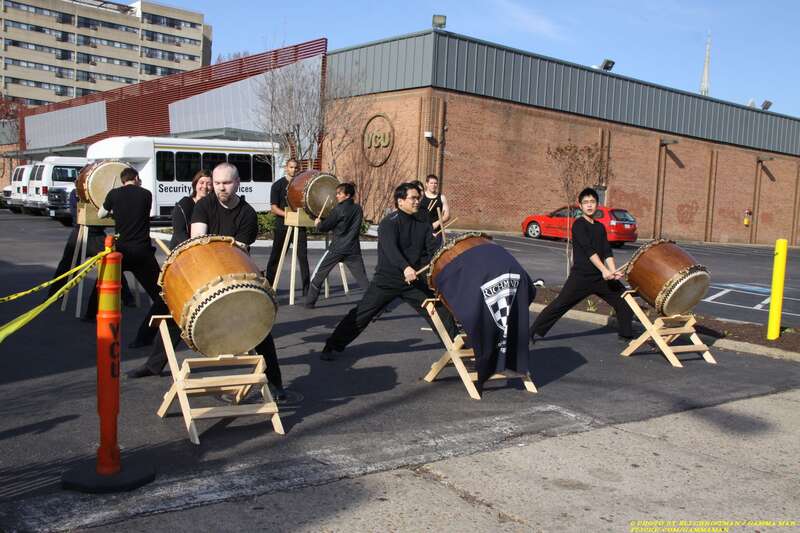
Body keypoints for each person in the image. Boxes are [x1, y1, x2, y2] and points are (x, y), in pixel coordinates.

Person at [320, 182, 458, 361]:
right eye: (413, 198)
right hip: (387, 279)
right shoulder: (389, 223)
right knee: (362, 314)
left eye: (418, 198)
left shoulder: (423, 223)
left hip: (414, 281)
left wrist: (444, 256)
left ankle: (457, 347)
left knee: (438, 310)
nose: (417, 201)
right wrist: (405, 267)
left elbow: (430, 250)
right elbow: (391, 249)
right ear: (400, 201)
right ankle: (332, 345)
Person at [191, 162, 286, 400]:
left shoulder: (247, 213)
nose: (221, 187)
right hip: (203, 272)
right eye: (217, 183)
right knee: (175, 313)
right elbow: (198, 241)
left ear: (237, 183)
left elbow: (237, 252)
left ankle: (275, 383)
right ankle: (154, 363)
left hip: (236, 273)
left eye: (226, 182)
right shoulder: (204, 205)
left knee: (259, 330)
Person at [530, 187, 634, 343]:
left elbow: (607, 250)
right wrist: (604, 270)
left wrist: (612, 271)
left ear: (597, 204)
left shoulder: (600, 227)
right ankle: (531, 333)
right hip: (581, 277)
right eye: (586, 202)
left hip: (601, 278)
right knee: (559, 305)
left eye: (592, 201)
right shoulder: (579, 225)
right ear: (580, 206)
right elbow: (589, 250)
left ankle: (626, 335)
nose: (589, 205)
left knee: (624, 301)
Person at [97, 167, 169, 349]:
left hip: (121, 250)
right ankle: (144, 338)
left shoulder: (114, 194)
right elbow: (142, 212)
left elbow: (101, 214)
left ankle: (91, 313)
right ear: (136, 178)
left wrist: (114, 212)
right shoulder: (146, 194)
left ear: (122, 180)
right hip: (142, 251)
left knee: (104, 283)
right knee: (161, 295)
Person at [49, 189, 134, 309]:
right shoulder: (76, 193)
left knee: (112, 264)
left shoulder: (100, 192)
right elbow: (78, 214)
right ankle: (54, 294)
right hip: (81, 232)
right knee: (67, 266)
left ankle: (126, 296)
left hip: (97, 235)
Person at [305, 182, 370, 308]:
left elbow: (325, 226)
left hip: (337, 248)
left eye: (340, 193)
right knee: (363, 280)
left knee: (319, 274)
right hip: (353, 250)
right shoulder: (358, 209)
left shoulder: (338, 209)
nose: (337, 196)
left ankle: (309, 302)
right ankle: (377, 306)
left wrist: (318, 224)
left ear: (347, 195)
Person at [265, 158, 309, 296]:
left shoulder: (302, 186)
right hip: (282, 227)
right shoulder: (277, 185)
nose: (293, 170)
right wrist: (288, 215)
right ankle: (269, 286)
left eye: (296, 168)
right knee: (276, 256)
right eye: (291, 167)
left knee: (303, 257)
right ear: (286, 168)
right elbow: (274, 208)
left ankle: (307, 290)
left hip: (299, 226)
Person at [170, 169, 212, 248]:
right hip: (182, 249)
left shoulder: (213, 208)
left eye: (209, 184)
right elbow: (179, 232)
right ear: (195, 184)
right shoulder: (184, 204)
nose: (205, 186)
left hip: (205, 249)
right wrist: (193, 249)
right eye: (201, 183)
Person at [419, 174, 450, 244]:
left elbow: (447, 215)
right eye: (431, 183)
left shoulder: (441, 197)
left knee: (436, 250)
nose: (433, 185)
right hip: (422, 230)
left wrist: (437, 223)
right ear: (426, 184)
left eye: (435, 183)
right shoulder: (421, 197)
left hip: (436, 231)